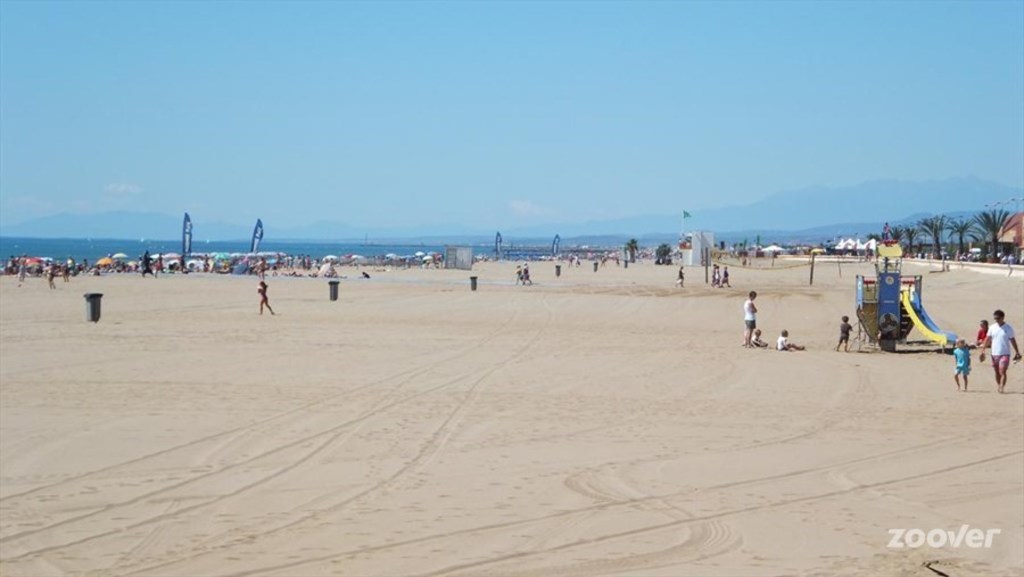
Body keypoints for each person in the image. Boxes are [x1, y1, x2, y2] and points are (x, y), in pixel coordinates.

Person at [978, 309, 1020, 393]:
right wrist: (983, 350)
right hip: (994, 353)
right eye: (995, 318)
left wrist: (1017, 351)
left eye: (998, 318)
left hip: (1005, 353)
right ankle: (999, 385)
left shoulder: (1008, 328)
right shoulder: (992, 327)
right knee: (996, 372)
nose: (996, 320)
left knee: (1002, 370)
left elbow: (1012, 340)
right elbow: (987, 339)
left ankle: (1002, 386)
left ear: (1002, 317)